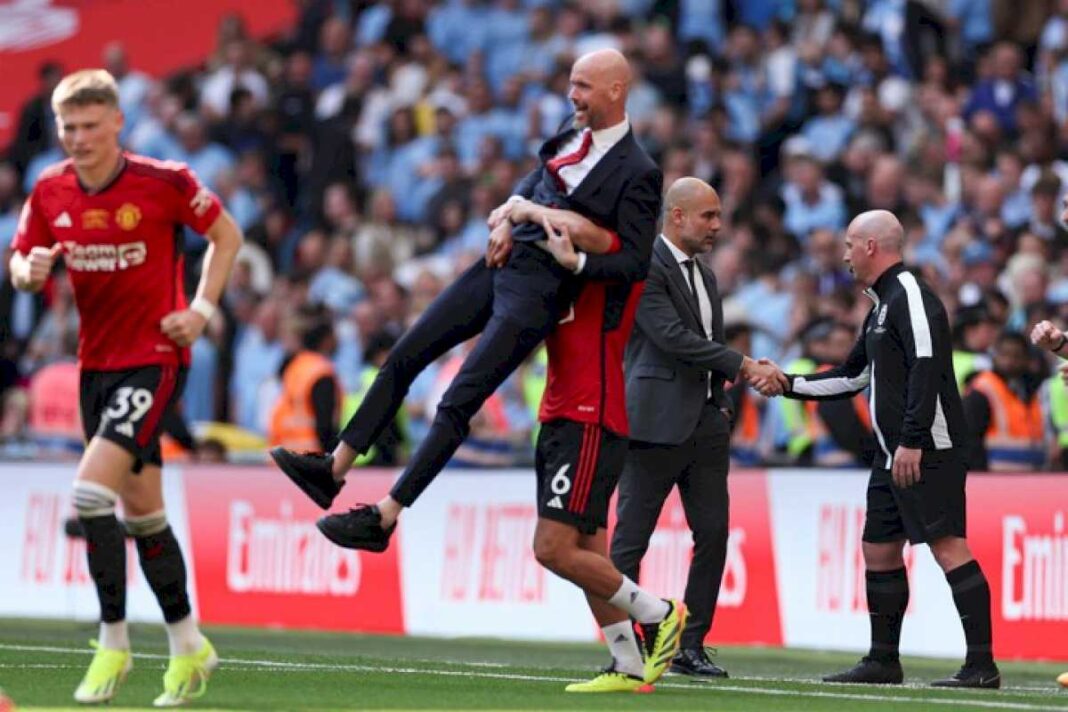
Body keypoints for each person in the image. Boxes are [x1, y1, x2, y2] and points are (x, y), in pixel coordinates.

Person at [270, 49, 662, 552]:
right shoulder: (572, 130)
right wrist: (505, 220)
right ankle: (333, 468)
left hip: (539, 291)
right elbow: (538, 181)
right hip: (501, 263)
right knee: (405, 354)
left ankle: (385, 516)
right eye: (572, 83)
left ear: (616, 90)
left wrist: (578, 265)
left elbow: (632, 262)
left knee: (459, 400)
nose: (572, 95)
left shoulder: (639, 171)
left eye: (583, 86)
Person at [9, 69, 243, 706]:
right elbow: (22, 261)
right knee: (145, 515)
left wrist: (201, 309)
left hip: (157, 358)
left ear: (117, 122)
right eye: (69, 128)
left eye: (90, 126)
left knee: (89, 494)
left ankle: (113, 645)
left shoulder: (164, 183)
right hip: (97, 366)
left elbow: (227, 235)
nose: (79, 139)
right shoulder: (50, 190)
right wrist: (27, 273)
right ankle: (190, 646)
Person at [780, 210, 1000, 689]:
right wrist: (786, 383)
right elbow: (853, 376)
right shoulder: (881, 306)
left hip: (927, 448)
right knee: (877, 549)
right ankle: (883, 660)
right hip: (892, 451)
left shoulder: (913, 296)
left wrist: (911, 441)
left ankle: (981, 666)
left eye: (849, 245)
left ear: (871, 247)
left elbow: (925, 367)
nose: (844, 255)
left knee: (948, 546)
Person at [609, 178, 786, 680]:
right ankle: (627, 647)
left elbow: (703, 341)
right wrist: (744, 364)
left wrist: (720, 403)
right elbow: (670, 337)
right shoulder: (644, 267)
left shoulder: (706, 276)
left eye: (718, 215)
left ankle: (691, 645)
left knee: (713, 535)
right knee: (630, 542)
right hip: (652, 423)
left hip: (706, 424)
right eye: (707, 216)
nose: (717, 226)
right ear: (677, 216)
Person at [962, 331, 1045, 471]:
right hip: (995, 479)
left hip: (1032, 477)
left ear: (1026, 359)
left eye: (1016, 356)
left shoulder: (1032, 390)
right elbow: (970, 440)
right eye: (1004, 354)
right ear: (994, 356)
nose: (1010, 361)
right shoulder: (983, 390)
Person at [268, 305, 341, 452]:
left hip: (284, 453)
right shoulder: (321, 371)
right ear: (326, 340)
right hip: (311, 459)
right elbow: (324, 426)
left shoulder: (294, 366)